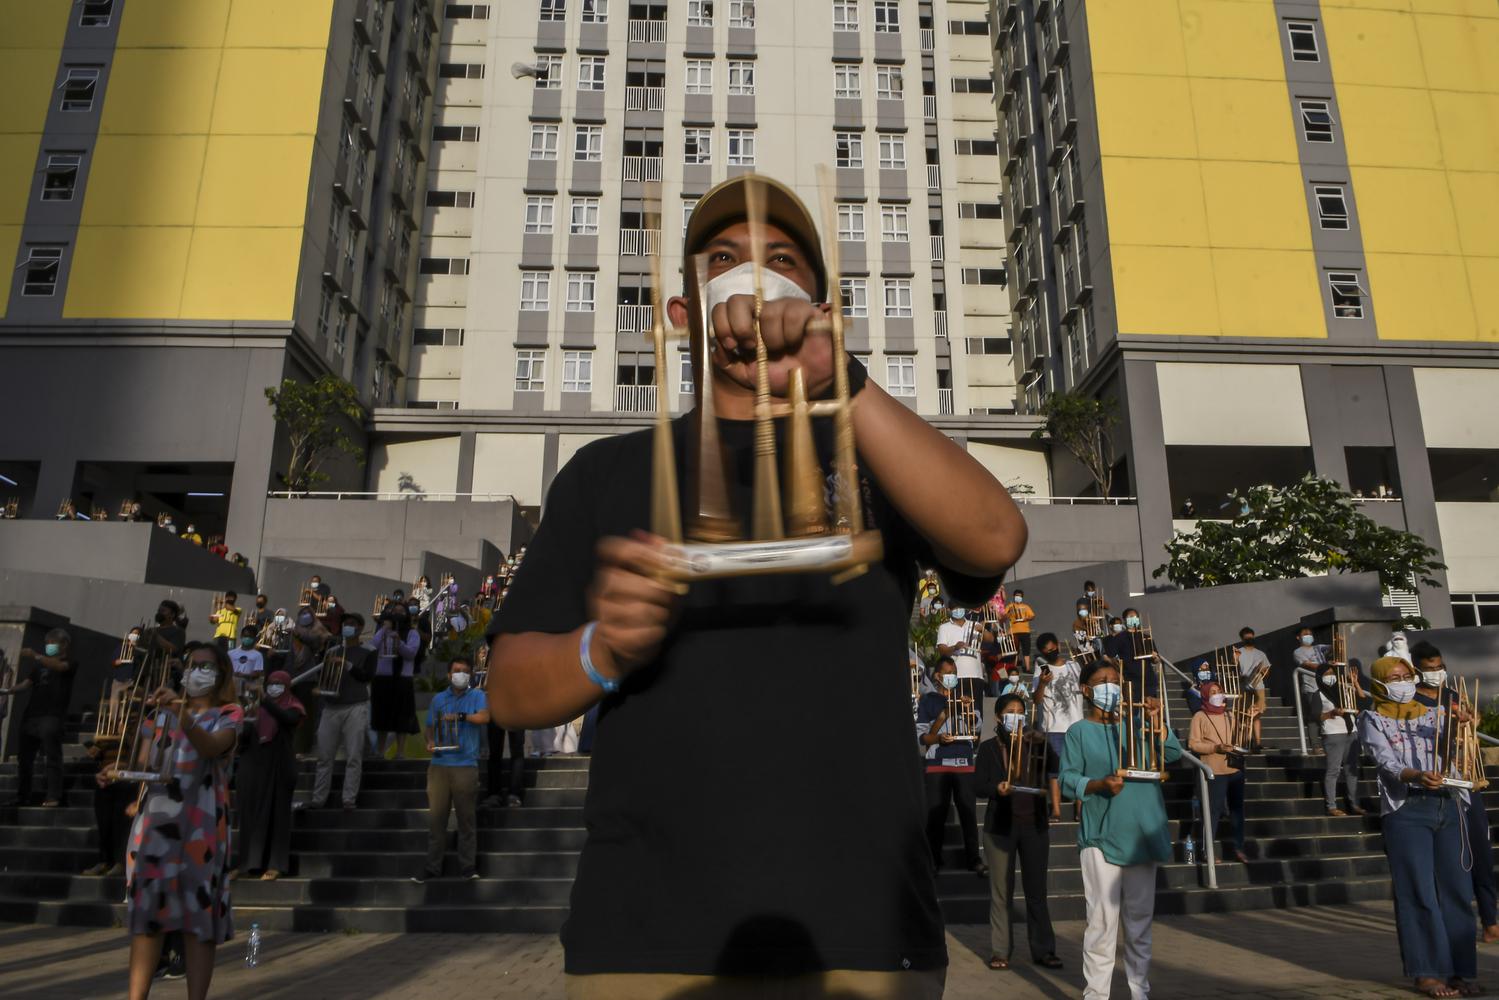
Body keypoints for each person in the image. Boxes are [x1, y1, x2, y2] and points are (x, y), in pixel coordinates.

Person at [485, 172, 1025, 993]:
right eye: (723, 259)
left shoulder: (874, 458)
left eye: (780, 259)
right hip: (645, 931)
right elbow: (511, 691)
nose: (752, 280)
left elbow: (994, 538)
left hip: (864, 927)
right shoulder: (605, 474)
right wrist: (604, 647)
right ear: (680, 316)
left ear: (815, 299)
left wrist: (834, 376)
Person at [116, 641, 242, 1000]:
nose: (197, 671)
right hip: (156, 825)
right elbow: (144, 765)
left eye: (206, 666)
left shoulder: (229, 713)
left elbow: (211, 747)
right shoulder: (158, 717)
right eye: (193, 664)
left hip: (200, 826)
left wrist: (182, 713)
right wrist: (116, 771)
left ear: (220, 675)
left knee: (198, 919)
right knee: (147, 918)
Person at [1060, 658, 1183, 1000]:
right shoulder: (1079, 732)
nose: (1111, 687)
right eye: (1102, 681)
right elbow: (1068, 779)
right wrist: (1097, 785)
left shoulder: (1139, 723)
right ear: (1087, 690)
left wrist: (1159, 723)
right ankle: (1097, 994)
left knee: (1140, 922)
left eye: (1115, 680)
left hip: (1144, 832)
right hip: (1103, 837)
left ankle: (1139, 991)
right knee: (1102, 922)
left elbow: (1171, 754)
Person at [1357, 656, 1479, 999]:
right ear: (1380, 684)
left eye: (1406, 675)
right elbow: (1386, 763)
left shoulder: (1435, 712)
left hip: (1449, 803)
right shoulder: (1372, 718)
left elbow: (1455, 748)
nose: (1402, 681)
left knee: (1457, 890)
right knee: (1418, 892)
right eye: (1394, 677)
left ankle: (1462, 970)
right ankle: (1427, 972)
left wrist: (1463, 724)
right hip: (1407, 807)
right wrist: (1416, 775)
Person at [1411, 642, 1498, 945]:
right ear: (1417, 669)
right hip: (1436, 786)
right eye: (1429, 668)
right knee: (1449, 861)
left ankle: (1490, 920)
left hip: (1465, 783)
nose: (1435, 673)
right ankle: (1451, 924)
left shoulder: (1453, 695)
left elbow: (1470, 730)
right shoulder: (1411, 701)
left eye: (1439, 667)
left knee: (1481, 853)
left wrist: (1471, 722)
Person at [973, 694, 1061, 971]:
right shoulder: (989, 748)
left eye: (1020, 711)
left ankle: (1044, 949)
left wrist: (1041, 740)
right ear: (999, 717)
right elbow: (978, 785)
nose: (1016, 716)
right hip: (1000, 828)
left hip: (1034, 825)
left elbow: (1054, 770)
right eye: (1010, 711)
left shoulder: (1035, 743)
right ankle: (1001, 950)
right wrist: (997, 788)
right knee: (1002, 892)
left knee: (1037, 892)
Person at [414, 657, 490, 881]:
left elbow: (485, 717)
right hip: (439, 764)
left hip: (465, 764)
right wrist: (429, 741)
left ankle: (468, 866)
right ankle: (432, 866)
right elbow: (429, 726)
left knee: (466, 819)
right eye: (457, 671)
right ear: (449, 675)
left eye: (466, 671)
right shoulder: (439, 698)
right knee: (437, 820)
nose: (461, 675)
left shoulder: (477, 695)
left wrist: (461, 716)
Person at [918, 657, 987, 878]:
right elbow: (923, 738)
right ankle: (933, 860)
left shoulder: (966, 699)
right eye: (948, 672)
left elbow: (976, 732)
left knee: (968, 812)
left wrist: (967, 709)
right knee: (936, 814)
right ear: (937, 676)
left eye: (954, 672)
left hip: (964, 762)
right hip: (937, 764)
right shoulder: (928, 700)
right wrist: (940, 732)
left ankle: (973, 859)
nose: (952, 676)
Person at [235, 670, 303, 881]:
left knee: (278, 815)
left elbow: (286, 719)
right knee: (249, 815)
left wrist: (264, 701)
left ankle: (276, 864)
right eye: (271, 683)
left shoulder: (293, 706)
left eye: (278, 684)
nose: (274, 687)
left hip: (279, 766)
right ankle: (249, 862)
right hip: (253, 765)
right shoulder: (255, 708)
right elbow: (244, 736)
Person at [305, 613, 376, 811]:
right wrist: (322, 688)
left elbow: (367, 676)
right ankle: (319, 798)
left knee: (354, 755)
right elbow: (325, 675)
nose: (348, 627)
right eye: (345, 623)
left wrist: (349, 665)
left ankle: (349, 799)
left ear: (361, 628)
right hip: (331, 706)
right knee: (324, 756)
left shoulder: (369, 651)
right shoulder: (333, 650)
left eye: (352, 624)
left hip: (356, 706)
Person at [1, 628, 77, 807]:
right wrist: (7, 690)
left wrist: (35, 655)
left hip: (52, 716)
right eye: (48, 643)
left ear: (64, 644)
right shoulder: (39, 666)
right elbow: (26, 684)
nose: (49, 646)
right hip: (31, 715)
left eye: (53, 642)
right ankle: (23, 795)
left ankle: (53, 796)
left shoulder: (70, 663)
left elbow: (59, 667)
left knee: (52, 756)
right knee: (24, 759)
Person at [1187, 679, 1248, 864]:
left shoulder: (1231, 715)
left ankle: (1239, 848)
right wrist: (1215, 748)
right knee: (1212, 811)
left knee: (1237, 810)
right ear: (1205, 695)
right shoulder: (1200, 716)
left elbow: (1241, 738)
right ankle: (1208, 850)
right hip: (1213, 770)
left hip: (1234, 768)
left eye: (1219, 691)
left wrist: (1247, 723)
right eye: (1212, 692)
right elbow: (1193, 743)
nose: (1217, 694)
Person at [1031, 633, 1081, 821]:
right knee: (1054, 771)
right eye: (1046, 651)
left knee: (1078, 768)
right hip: (1052, 727)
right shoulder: (1040, 669)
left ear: (1058, 646)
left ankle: (1079, 810)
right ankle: (1057, 810)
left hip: (1076, 724)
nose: (1051, 653)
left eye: (1053, 649)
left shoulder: (1073, 666)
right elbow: (1036, 700)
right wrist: (1043, 684)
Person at [1315, 658, 1367, 818]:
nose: (1331, 676)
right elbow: (1315, 717)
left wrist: (1355, 683)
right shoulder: (1318, 694)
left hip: (1351, 732)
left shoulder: (1343, 689)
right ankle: (1331, 806)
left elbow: (1362, 699)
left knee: (1351, 770)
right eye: (1327, 674)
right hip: (1333, 734)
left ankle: (1354, 804)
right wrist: (1332, 713)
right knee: (1334, 771)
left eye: (1332, 673)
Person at [370, 611, 422, 760]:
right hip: (383, 678)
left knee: (402, 716)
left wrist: (399, 641)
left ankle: (400, 752)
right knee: (381, 716)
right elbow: (373, 646)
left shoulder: (412, 633)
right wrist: (383, 629)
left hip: (402, 679)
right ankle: (380, 751)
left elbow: (411, 653)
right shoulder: (382, 631)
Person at [83, 734, 133, 876]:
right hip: (105, 775)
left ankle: (120, 861)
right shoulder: (109, 720)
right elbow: (99, 752)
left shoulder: (134, 719)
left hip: (125, 775)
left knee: (120, 822)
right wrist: (96, 748)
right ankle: (104, 860)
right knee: (104, 821)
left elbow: (139, 752)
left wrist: (121, 734)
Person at [1234, 626, 1272, 753]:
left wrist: (1261, 673)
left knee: (1256, 714)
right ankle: (1246, 741)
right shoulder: (1238, 652)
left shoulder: (1260, 654)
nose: (1249, 638)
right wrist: (1235, 659)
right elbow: (1233, 669)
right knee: (1244, 715)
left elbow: (1267, 670)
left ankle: (1258, 742)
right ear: (1242, 638)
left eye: (1251, 636)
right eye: (1246, 636)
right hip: (1243, 686)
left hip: (1258, 686)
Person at [1293, 626, 1330, 752]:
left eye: (1310, 633)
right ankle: (1316, 745)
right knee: (1315, 716)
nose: (1308, 635)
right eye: (1305, 634)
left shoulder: (1318, 647)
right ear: (1298, 637)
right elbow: (1307, 664)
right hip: (1311, 687)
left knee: (1327, 713)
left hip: (1326, 686)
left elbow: (1333, 647)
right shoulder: (1298, 652)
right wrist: (1326, 668)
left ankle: (1327, 743)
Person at [229, 625, 264, 702]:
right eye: (245, 636)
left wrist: (243, 675)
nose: (247, 638)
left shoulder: (257, 655)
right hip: (232, 687)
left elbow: (258, 673)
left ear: (255, 638)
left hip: (247, 687)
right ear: (241, 636)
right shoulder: (231, 653)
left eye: (250, 636)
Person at [1006, 589, 1035, 671]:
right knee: (1015, 651)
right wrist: (1009, 613)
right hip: (1013, 632)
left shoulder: (1026, 606)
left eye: (1020, 596)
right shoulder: (1009, 606)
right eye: (1017, 596)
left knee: (1026, 650)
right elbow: (1003, 617)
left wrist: (1027, 618)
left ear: (1022, 597)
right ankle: (1013, 669)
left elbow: (1032, 616)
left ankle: (1028, 668)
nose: (1018, 597)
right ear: (1014, 596)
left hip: (1025, 631)